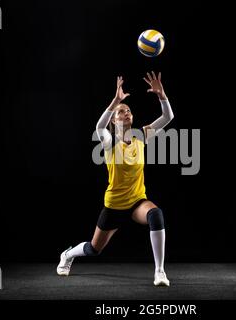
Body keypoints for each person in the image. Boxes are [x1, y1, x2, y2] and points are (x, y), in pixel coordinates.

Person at [57, 71, 174, 286]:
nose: (126, 113)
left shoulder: (140, 136)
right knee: (94, 249)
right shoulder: (109, 141)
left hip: (138, 201)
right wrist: (115, 102)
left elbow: (168, 118)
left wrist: (162, 95)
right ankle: (68, 255)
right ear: (114, 119)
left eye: (128, 110)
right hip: (114, 205)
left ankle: (159, 272)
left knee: (156, 215)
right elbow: (99, 127)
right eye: (121, 112)